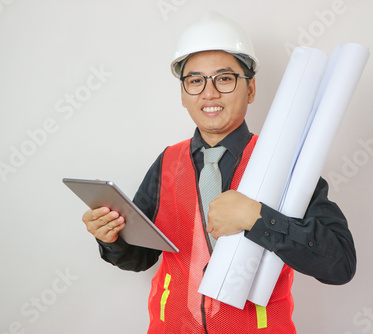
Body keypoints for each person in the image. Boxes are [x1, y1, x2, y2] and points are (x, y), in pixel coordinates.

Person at [82, 11, 356, 334]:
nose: (209, 93)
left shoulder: (285, 166)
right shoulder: (168, 163)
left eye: (224, 79)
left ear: (250, 89)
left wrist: (258, 218)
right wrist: (111, 237)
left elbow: (340, 263)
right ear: (183, 94)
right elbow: (139, 258)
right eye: (195, 81)